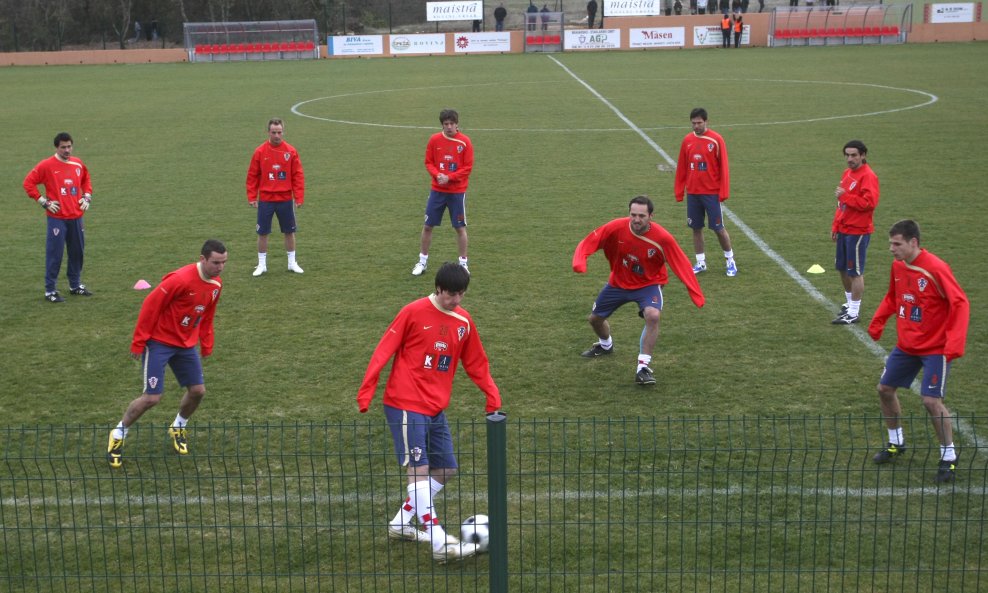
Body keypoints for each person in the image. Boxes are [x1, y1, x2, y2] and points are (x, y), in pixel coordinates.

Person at [357, 262, 502, 563]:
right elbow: (384, 349)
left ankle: (400, 523)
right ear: (438, 289)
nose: (456, 300)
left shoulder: (463, 321)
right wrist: (366, 390)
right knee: (419, 470)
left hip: (435, 407)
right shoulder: (412, 312)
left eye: (461, 294)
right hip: (405, 402)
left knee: (446, 469)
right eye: (451, 294)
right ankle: (440, 542)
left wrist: (491, 393)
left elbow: (476, 362)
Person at [106, 239, 228, 469]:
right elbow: (150, 306)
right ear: (202, 259)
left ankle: (178, 426)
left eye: (224, 263)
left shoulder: (216, 285)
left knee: (198, 391)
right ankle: (118, 434)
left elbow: (207, 315)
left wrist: (207, 342)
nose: (220, 267)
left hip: (185, 344)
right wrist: (139, 341)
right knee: (152, 398)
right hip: (159, 342)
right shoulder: (180, 279)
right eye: (216, 263)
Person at [867, 220, 969, 484]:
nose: (891, 248)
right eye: (891, 243)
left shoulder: (936, 268)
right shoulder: (898, 266)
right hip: (907, 345)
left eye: (897, 244)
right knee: (884, 389)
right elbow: (893, 297)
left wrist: (955, 342)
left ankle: (948, 456)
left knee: (931, 401)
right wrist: (878, 321)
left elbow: (960, 303)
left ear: (913, 242)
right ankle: (896, 442)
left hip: (936, 348)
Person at [573, 196, 705, 385]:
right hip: (618, 283)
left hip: (648, 284)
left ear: (651, 216)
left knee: (653, 316)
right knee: (595, 320)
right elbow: (590, 241)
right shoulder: (616, 227)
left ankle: (643, 368)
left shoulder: (663, 238)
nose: (636, 219)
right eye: (633, 215)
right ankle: (605, 345)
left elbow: (681, 263)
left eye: (641, 216)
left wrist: (695, 292)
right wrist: (580, 261)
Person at [23, 132, 94, 303]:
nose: (67, 150)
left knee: (77, 252)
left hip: (76, 216)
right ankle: (50, 291)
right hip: (57, 218)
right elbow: (28, 183)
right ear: (56, 147)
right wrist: (43, 201)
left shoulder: (77, 163)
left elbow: (86, 180)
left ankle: (75, 285)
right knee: (55, 254)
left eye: (69, 146)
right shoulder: (46, 165)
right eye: (63, 147)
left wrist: (87, 196)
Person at [674, 108, 737, 277]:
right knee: (696, 228)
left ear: (706, 121)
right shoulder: (687, 140)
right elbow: (682, 167)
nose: (696, 126)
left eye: (699, 123)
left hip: (711, 193)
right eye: (693, 123)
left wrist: (723, 192)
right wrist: (680, 191)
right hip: (693, 193)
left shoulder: (716, 140)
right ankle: (701, 262)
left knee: (718, 228)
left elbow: (724, 167)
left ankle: (730, 260)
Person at [412, 109, 474, 276]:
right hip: (437, 191)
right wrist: (437, 175)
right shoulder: (434, 140)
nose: (449, 127)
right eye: (446, 124)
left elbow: (467, 167)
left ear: (457, 124)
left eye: (452, 124)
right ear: (442, 125)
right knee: (427, 226)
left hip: (457, 192)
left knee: (460, 228)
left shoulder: (465, 142)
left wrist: (449, 177)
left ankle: (463, 264)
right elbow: (429, 162)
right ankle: (422, 262)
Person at [246, 118, 306, 276]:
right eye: (274, 132)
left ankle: (292, 263)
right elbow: (252, 175)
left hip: (285, 199)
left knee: (289, 231)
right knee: (262, 232)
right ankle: (262, 265)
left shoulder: (290, 151)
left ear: (283, 132)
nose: (277, 135)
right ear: (268, 132)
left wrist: (299, 197)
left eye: (279, 132)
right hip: (266, 199)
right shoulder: (260, 152)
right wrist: (252, 196)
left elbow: (297, 175)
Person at [830, 140, 880, 325]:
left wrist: (845, 196)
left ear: (863, 155)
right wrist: (836, 225)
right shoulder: (847, 173)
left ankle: (854, 312)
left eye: (854, 155)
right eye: (847, 155)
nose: (849, 159)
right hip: (844, 229)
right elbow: (841, 205)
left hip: (858, 231)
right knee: (842, 268)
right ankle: (850, 304)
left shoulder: (868, 176)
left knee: (855, 272)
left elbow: (869, 203)